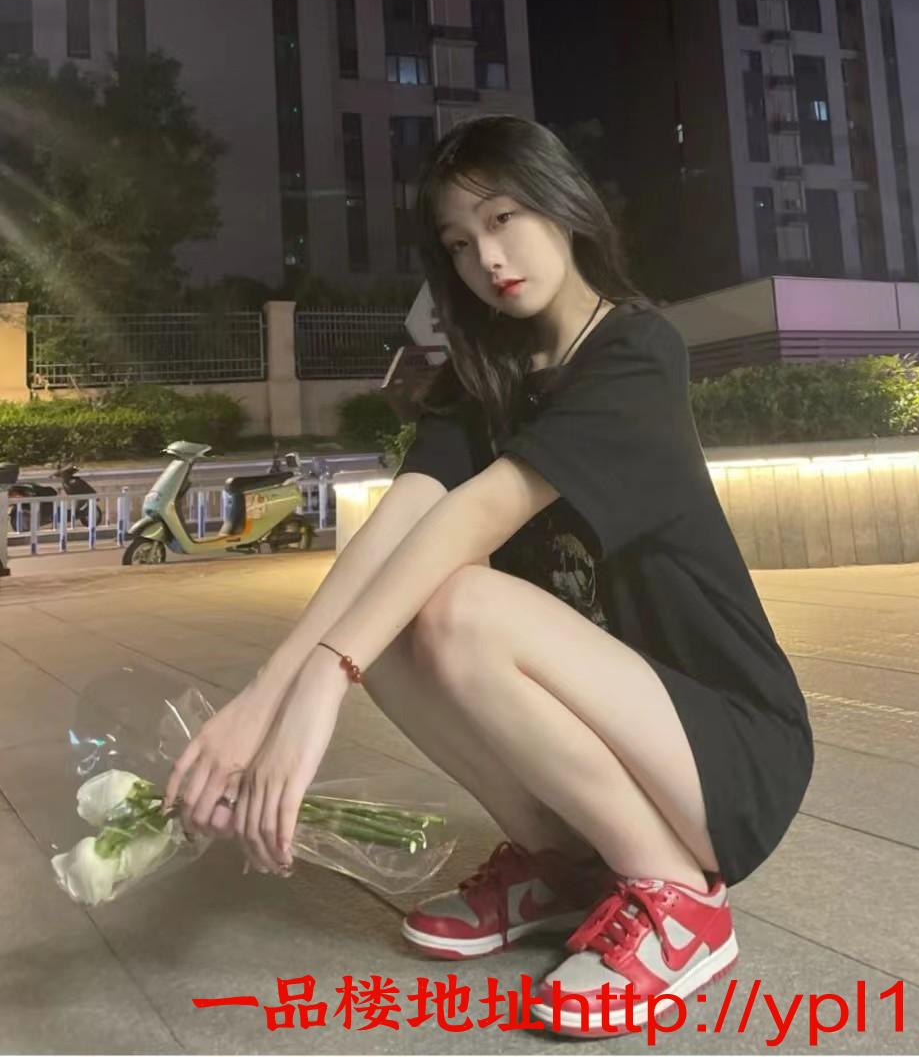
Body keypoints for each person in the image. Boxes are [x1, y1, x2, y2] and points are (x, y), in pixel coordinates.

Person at [163, 115, 814, 1037]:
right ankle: (562, 864)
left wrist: (327, 681)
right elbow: (397, 526)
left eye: (504, 218)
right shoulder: (484, 378)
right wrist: (266, 697)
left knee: (457, 602)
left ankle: (678, 897)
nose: (488, 259)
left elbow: (474, 515)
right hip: (623, 728)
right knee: (392, 618)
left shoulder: (635, 352)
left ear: (564, 204)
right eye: (460, 243)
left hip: (724, 745)